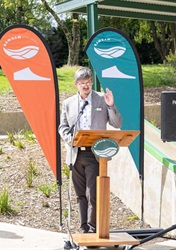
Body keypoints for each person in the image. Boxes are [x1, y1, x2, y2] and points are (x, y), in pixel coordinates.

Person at [58, 67, 122, 233]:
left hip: (95, 153)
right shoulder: (68, 103)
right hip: (75, 153)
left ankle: (93, 226)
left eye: (88, 82)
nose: (86, 86)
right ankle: (83, 226)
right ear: (76, 84)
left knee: (92, 192)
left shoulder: (102, 99)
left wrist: (111, 105)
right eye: (82, 83)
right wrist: (69, 139)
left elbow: (117, 123)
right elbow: (63, 127)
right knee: (80, 193)